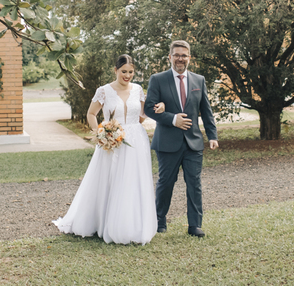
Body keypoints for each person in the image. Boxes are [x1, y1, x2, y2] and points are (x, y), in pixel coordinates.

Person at [53, 54, 156, 245]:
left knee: (134, 181)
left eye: (131, 72)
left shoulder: (139, 90)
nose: (127, 75)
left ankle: (132, 224)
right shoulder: (104, 91)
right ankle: (104, 222)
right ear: (115, 70)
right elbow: (91, 114)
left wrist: (156, 109)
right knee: (112, 180)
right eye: (123, 71)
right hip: (112, 140)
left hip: (137, 140)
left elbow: (141, 116)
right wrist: (101, 133)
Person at [144, 40, 218, 237]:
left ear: (189, 58)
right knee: (166, 182)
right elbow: (148, 108)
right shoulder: (158, 79)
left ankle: (195, 225)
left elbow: (206, 111)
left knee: (194, 183)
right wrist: (172, 119)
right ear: (170, 57)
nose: (180, 59)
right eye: (176, 55)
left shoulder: (199, 80)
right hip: (167, 142)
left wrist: (212, 135)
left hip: (193, 143)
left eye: (184, 55)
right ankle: (159, 220)